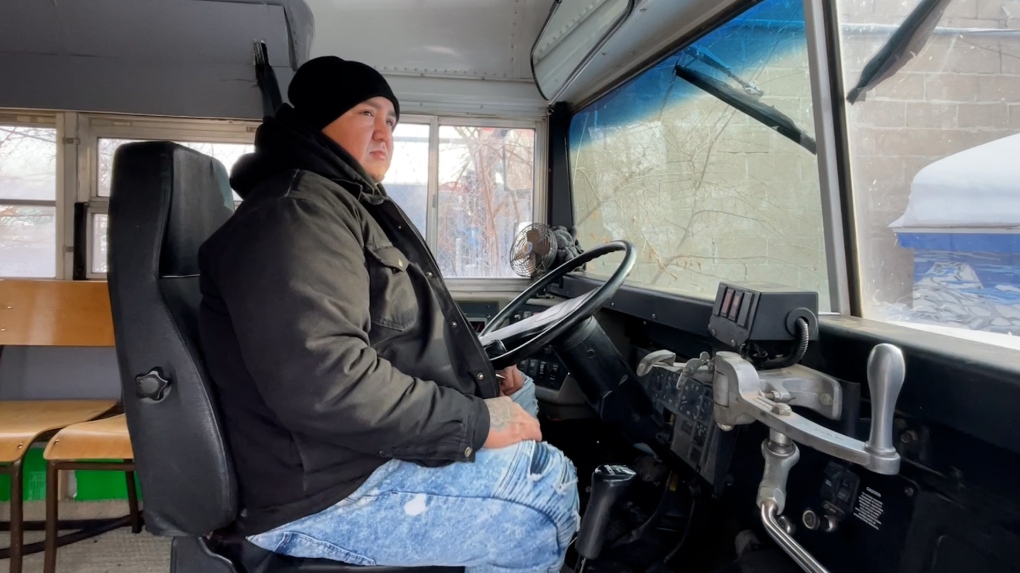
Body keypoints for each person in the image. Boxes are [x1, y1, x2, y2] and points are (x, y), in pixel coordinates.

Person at [196, 55, 580, 572]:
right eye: (365, 114)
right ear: (317, 121)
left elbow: (385, 335)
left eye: (391, 121)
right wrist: (474, 419)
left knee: (524, 399)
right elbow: (326, 383)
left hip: (342, 455)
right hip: (325, 489)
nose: (384, 135)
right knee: (544, 495)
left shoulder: (338, 203)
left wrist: (481, 381)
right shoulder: (296, 214)